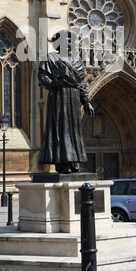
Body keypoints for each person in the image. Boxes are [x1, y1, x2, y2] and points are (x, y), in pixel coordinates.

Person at [38, 29, 95, 174]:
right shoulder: (50, 58)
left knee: (73, 130)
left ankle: (72, 161)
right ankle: (62, 164)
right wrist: (52, 83)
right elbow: (42, 76)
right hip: (59, 96)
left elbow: (81, 83)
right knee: (60, 129)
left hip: (74, 98)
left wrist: (86, 101)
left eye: (71, 41)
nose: (69, 43)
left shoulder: (77, 60)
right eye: (66, 40)